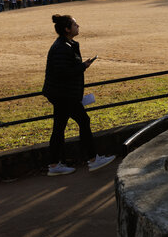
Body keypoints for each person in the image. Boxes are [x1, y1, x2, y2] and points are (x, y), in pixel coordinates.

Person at [42, 14, 116, 176]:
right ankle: (93, 160)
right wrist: (83, 66)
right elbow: (63, 73)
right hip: (64, 95)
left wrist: (83, 65)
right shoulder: (62, 47)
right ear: (67, 29)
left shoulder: (64, 44)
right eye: (75, 25)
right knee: (83, 121)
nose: (78, 26)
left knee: (59, 127)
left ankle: (54, 165)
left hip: (61, 93)